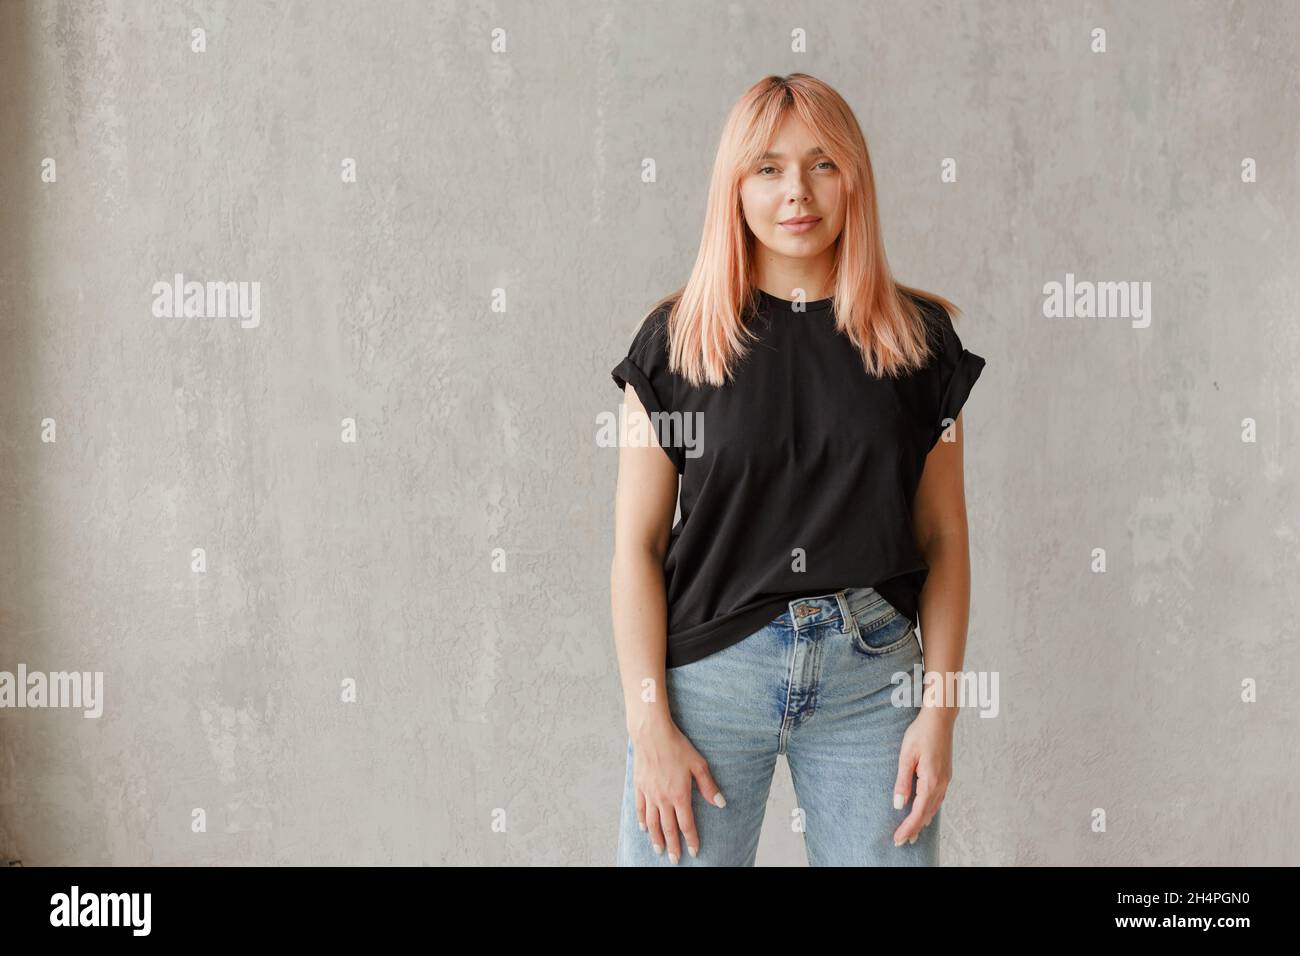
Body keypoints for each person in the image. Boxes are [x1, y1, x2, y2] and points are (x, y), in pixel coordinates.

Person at [609, 73, 986, 866]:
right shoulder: (676, 343)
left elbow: (945, 537)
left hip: (872, 683)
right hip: (709, 678)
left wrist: (939, 711)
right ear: (734, 185)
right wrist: (649, 727)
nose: (797, 193)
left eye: (822, 164)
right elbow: (636, 550)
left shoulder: (918, 343)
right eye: (768, 168)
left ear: (854, 178)